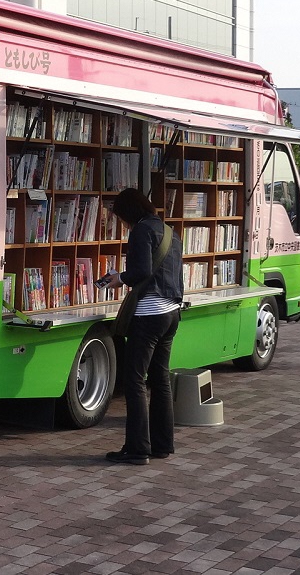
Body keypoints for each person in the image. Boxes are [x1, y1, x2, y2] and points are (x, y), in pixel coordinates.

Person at [98, 188, 183, 466]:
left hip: (149, 314)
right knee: (159, 380)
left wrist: (118, 278)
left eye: (121, 218)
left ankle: (137, 449)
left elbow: (141, 271)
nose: (122, 223)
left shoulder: (140, 231)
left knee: (134, 380)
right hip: (171, 312)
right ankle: (161, 445)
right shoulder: (170, 232)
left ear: (128, 213)